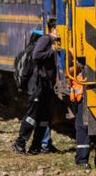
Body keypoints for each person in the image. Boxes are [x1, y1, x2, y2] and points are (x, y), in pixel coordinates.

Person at [12, 20, 60, 154]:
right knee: (32, 115)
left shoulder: (53, 41)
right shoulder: (45, 39)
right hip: (37, 85)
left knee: (44, 117)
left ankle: (36, 146)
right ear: (53, 29)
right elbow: (36, 55)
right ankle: (20, 142)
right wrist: (51, 51)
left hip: (46, 85)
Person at [71, 65, 96, 168]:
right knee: (83, 128)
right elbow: (68, 72)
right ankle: (82, 160)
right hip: (83, 95)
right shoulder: (73, 53)